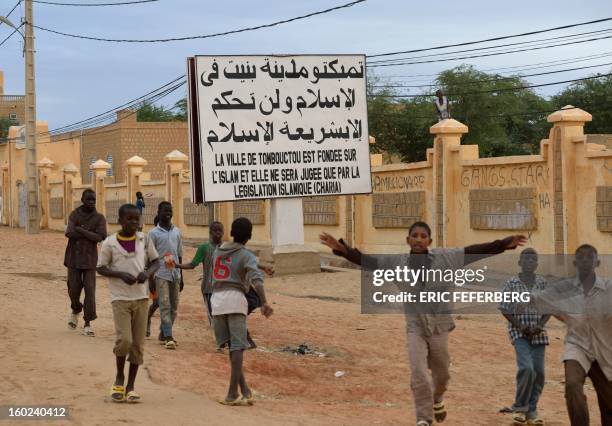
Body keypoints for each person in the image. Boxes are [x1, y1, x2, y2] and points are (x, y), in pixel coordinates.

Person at [320, 222, 526, 426]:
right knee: (418, 373)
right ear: (408, 240)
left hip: (439, 325)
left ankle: (437, 399)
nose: (419, 239)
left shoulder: (446, 258)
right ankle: (423, 419)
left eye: (423, 236)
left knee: (442, 376)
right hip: (415, 326)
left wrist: (505, 243)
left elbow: (477, 251)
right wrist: (343, 250)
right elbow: (368, 261)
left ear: (430, 241)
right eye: (415, 236)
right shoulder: (397, 263)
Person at [533, 244, 612, 426]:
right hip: (577, 348)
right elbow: (541, 298)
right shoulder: (564, 288)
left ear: (597, 262)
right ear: (575, 263)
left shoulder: (609, 289)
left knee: (608, 404)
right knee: (572, 385)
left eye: (589, 257)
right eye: (581, 257)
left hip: (605, 350)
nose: (585, 260)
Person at [177, 220, 273, 351]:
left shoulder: (227, 247)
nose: (218, 233)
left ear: (224, 232)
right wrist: (178, 266)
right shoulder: (205, 248)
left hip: (230, 288)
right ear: (210, 232)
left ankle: (237, 339)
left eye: (220, 230)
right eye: (215, 230)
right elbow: (193, 264)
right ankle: (224, 342)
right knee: (215, 317)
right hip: (210, 289)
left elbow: (245, 258)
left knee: (243, 307)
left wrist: (263, 267)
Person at [97, 203, 160, 403]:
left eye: (136, 219)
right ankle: (119, 377)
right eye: (129, 219)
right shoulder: (109, 243)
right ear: (120, 221)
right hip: (120, 298)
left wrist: (147, 273)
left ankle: (131, 386)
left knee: (138, 345)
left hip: (141, 299)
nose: (134, 223)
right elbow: (101, 268)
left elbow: (156, 262)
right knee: (124, 340)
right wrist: (120, 274)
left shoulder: (144, 239)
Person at [211, 217, 273, 405]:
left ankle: (244, 390)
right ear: (249, 236)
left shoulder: (218, 250)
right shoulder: (246, 254)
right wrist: (264, 302)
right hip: (235, 299)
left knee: (232, 347)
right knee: (238, 348)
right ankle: (232, 394)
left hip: (217, 300)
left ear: (231, 232)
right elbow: (256, 279)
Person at [499, 248, 549, 426]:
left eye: (533, 259)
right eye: (525, 259)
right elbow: (504, 308)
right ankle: (520, 408)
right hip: (519, 333)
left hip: (538, 334)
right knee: (526, 369)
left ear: (536, 264)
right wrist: (521, 326)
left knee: (540, 373)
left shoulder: (542, 283)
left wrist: (539, 326)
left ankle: (532, 411)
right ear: (519, 263)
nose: (529, 262)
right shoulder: (512, 284)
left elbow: (548, 308)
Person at [64, 188, 107, 337]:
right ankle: (76, 308)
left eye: (93, 200)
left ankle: (87, 323)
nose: (91, 202)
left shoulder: (100, 218)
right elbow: (69, 233)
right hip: (73, 259)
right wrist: (90, 233)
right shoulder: (74, 214)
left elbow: (101, 237)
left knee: (90, 291)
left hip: (90, 260)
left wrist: (81, 231)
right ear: (82, 200)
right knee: (73, 289)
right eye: (88, 199)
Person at [148, 202, 183, 350]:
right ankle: (169, 336)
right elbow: (149, 258)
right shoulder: (153, 233)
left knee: (174, 306)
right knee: (164, 304)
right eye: (164, 211)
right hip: (160, 273)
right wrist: (150, 278)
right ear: (159, 212)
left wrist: (182, 277)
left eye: (170, 210)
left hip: (175, 273)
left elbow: (179, 255)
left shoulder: (177, 232)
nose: (167, 213)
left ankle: (163, 332)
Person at [145, 215, 160, 338]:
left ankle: (165, 331)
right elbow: (150, 261)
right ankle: (147, 319)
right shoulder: (151, 237)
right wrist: (150, 279)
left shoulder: (172, 234)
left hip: (167, 275)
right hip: (154, 276)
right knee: (156, 302)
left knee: (165, 304)